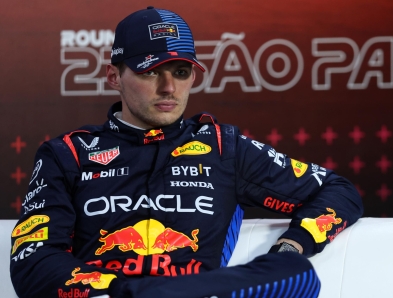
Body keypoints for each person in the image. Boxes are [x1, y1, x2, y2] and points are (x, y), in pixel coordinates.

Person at [10, 6, 363, 298]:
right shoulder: (67, 153)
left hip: (198, 292)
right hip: (112, 295)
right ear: (114, 77)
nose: (168, 88)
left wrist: (293, 244)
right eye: (151, 72)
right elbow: (33, 261)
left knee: (295, 272)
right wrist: (120, 291)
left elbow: (338, 191)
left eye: (181, 72)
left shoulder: (224, 146)